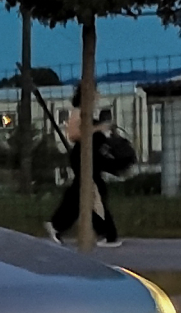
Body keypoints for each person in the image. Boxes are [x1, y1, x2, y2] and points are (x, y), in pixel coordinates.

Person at [50, 102, 134, 246]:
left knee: (79, 196)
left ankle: (57, 225)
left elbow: (100, 152)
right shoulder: (84, 117)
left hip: (86, 161)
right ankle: (107, 234)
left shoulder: (92, 122)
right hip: (85, 162)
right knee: (92, 194)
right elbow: (77, 137)